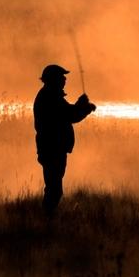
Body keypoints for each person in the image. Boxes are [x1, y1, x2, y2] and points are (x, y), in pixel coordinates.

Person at [33, 63, 96, 217]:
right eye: (61, 77)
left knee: (54, 187)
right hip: (52, 149)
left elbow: (68, 114)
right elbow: (70, 115)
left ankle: (46, 219)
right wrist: (85, 108)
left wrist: (81, 105)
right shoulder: (50, 97)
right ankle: (46, 219)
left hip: (52, 148)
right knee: (54, 189)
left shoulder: (50, 95)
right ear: (52, 79)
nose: (64, 80)